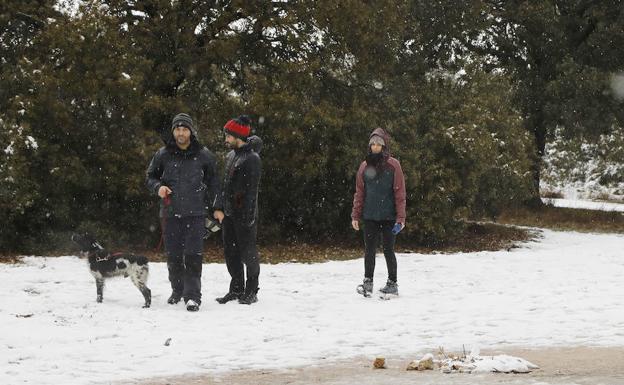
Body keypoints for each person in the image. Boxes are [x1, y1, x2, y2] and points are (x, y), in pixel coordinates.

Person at [146, 113, 219, 312]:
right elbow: (150, 176)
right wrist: (158, 187)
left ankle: (193, 296)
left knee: (193, 255)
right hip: (170, 213)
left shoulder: (204, 154)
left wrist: (218, 207)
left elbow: (214, 183)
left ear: (191, 131)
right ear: (173, 131)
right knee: (174, 256)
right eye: (177, 129)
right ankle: (177, 290)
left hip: (196, 213)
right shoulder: (163, 154)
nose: (180, 133)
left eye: (184, 129)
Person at [213, 115, 263, 305]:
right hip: (228, 215)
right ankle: (236, 289)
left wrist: (248, 217)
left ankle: (252, 290)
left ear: (237, 136)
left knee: (248, 254)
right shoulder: (230, 155)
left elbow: (251, 191)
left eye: (228, 135)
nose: (225, 139)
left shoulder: (252, 159)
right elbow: (223, 186)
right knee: (230, 253)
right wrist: (219, 208)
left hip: (245, 216)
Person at [351, 127, 406, 298]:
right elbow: (359, 193)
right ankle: (368, 283)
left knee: (389, 250)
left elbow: (400, 193)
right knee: (369, 250)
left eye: (378, 144)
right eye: (372, 144)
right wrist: (355, 215)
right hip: (370, 216)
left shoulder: (393, 165)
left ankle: (392, 284)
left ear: (384, 146)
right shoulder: (364, 166)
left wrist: (400, 218)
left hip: (389, 217)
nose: (375, 146)